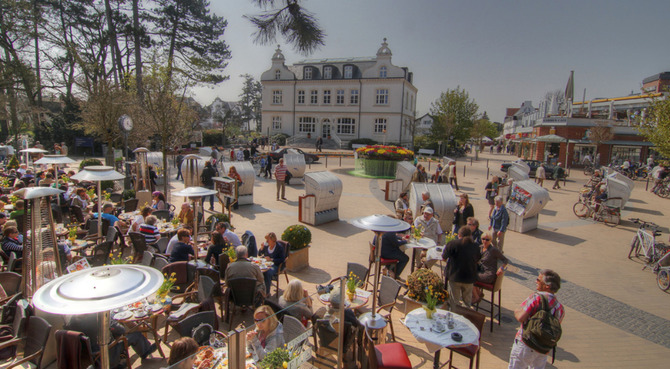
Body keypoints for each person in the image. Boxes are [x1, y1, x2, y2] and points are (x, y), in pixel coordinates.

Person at [508, 269, 564, 369]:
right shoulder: (560, 308)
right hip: (543, 348)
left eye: (538, 280)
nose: (536, 282)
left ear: (547, 286)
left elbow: (521, 318)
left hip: (526, 343)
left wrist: (516, 312)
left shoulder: (536, 298)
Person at [67, 313, 157, 368]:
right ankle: (145, 351)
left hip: (89, 357)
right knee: (135, 335)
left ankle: (118, 363)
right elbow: (120, 330)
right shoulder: (97, 316)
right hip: (106, 354)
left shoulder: (72, 321)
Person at [442, 226, 479, 308]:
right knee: (467, 303)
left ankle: (454, 319)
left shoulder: (452, 244)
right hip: (469, 277)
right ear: (470, 235)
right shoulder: (476, 246)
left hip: (455, 277)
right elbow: (477, 260)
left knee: (454, 302)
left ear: (459, 235)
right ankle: (465, 318)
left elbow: (444, 258)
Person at [473, 232, 509, 303]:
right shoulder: (480, 247)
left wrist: (501, 268)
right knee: (469, 274)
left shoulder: (493, 250)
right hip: (481, 271)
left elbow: (505, 260)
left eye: (487, 240)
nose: (485, 241)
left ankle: (476, 297)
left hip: (489, 274)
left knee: (469, 278)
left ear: (491, 240)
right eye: (483, 239)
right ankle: (478, 293)